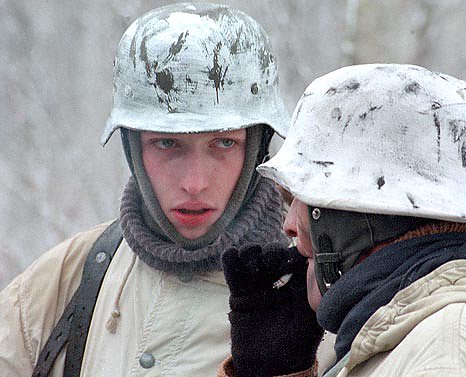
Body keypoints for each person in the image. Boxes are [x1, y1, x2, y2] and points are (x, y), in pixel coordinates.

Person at [0, 3, 294, 376]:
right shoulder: (72, 276)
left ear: (257, 146)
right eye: (167, 144)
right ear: (133, 149)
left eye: (223, 144)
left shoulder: (311, 300)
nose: (194, 182)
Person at [219, 64, 466, 376]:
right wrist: (273, 370)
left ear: (363, 213)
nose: (289, 224)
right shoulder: (432, 335)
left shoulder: (447, 352)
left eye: (305, 197)